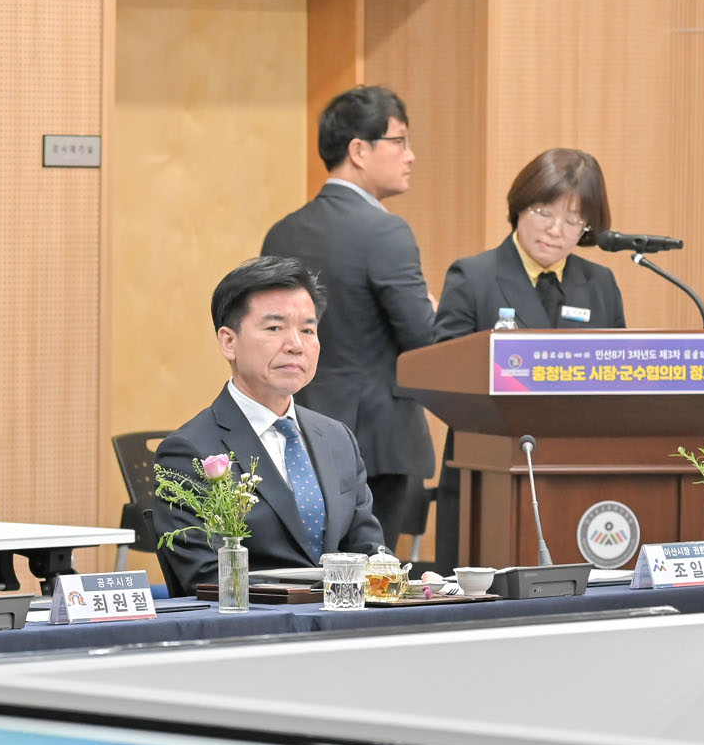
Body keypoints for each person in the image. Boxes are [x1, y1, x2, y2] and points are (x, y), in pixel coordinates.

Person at [429, 148, 627, 566]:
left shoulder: (600, 284)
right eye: (544, 212)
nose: (556, 230)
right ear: (519, 206)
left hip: (576, 473)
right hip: (489, 473)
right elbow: (445, 379)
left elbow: (617, 380)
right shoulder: (474, 277)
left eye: (573, 220)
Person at [262, 85, 436, 545]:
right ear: (359, 150)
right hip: (376, 441)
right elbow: (424, 339)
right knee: (371, 571)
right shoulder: (386, 231)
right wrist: (435, 308)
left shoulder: (283, 232)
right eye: (399, 141)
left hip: (297, 430)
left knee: (310, 568)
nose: (411, 156)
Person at [149, 257, 386, 591]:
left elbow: (368, 550)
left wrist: (402, 579)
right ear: (228, 342)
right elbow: (206, 579)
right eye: (274, 328)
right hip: (258, 620)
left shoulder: (337, 438)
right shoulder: (188, 451)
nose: (296, 345)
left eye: (307, 330)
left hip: (343, 618)